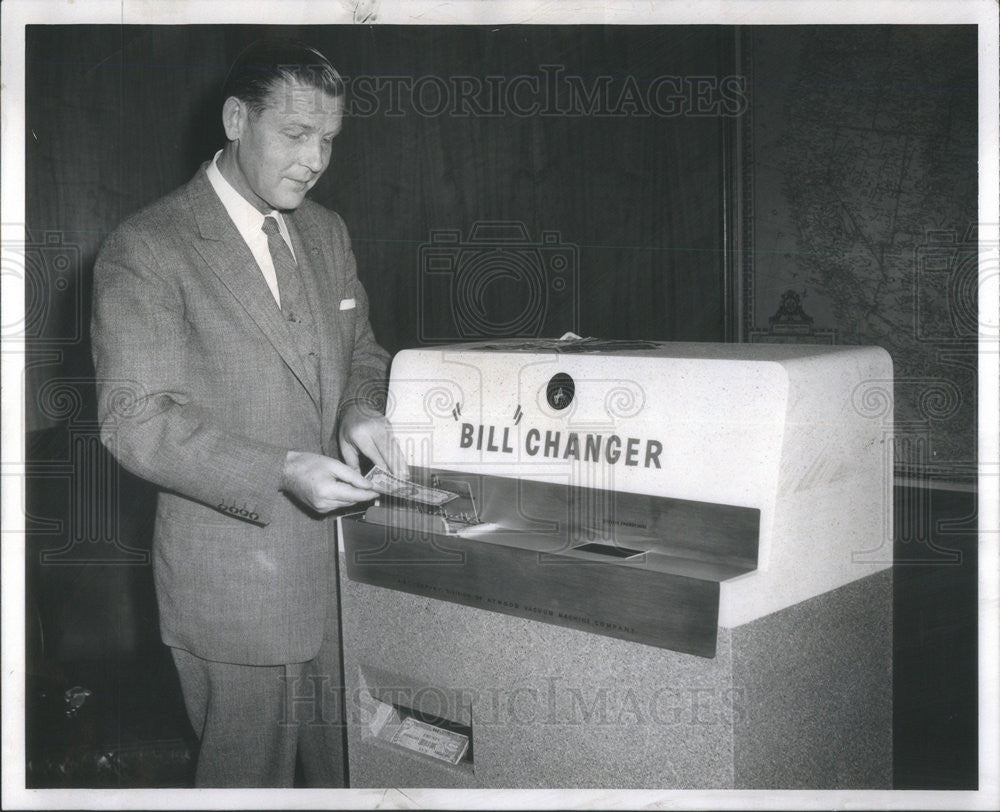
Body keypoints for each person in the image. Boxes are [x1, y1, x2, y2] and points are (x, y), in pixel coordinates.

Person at [90, 38, 407, 787]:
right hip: (234, 594)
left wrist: (360, 411)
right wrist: (280, 471)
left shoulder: (327, 232)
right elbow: (134, 419)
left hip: (340, 580)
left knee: (352, 779)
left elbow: (363, 350)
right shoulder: (147, 247)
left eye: (327, 139)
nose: (314, 159)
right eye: (295, 135)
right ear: (236, 119)